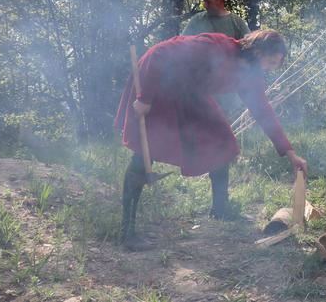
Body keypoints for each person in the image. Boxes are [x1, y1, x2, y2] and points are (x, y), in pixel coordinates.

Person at [115, 29, 307, 250]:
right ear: (257, 51)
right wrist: (145, 97)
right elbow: (159, 55)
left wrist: (290, 152)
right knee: (147, 146)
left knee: (222, 141)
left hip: (189, 92)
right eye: (270, 62)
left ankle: (220, 209)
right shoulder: (214, 47)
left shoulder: (249, 76)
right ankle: (127, 232)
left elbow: (262, 111)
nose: (270, 68)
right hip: (158, 82)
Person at [182, 0, 250, 39]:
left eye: (209, 2)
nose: (205, 5)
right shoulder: (197, 19)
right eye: (204, 2)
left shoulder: (236, 22)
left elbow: (250, 46)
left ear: (220, 0)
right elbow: (182, 43)